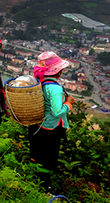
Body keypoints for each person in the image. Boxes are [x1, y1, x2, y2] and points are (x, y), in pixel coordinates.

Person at [28, 51, 74, 190]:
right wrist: (69, 103)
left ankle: (32, 180)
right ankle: (43, 186)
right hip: (50, 129)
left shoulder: (38, 83)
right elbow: (57, 112)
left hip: (36, 125)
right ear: (58, 72)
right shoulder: (55, 89)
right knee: (48, 159)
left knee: (35, 154)